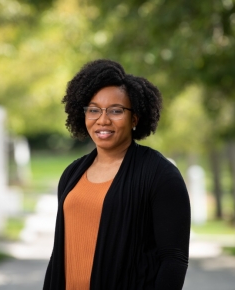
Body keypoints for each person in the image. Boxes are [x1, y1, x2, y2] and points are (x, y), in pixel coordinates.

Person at [43, 59, 190, 290]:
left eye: (116, 111)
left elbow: (174, 259)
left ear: (134, 118)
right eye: (93, 110)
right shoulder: (72, 174)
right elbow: (59, 252)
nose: (103, 120)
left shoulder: (160, 175)